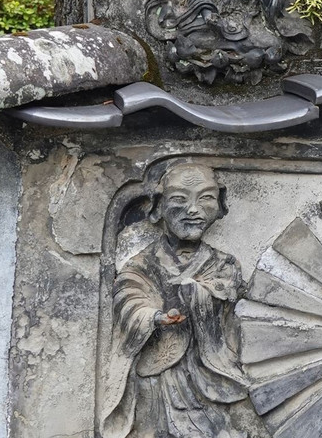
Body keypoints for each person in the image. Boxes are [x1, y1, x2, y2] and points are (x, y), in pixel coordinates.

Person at [101, 162, 248, 438]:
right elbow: (128, 295)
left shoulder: (223, 264)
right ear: (158, 205)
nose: (193, 210)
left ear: (220, 205)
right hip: (157, 376)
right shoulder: (143, 263)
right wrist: (154, 317)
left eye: (205, 198)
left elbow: (228, 292)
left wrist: (198, 293)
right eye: (179, 199)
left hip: (206, 375)